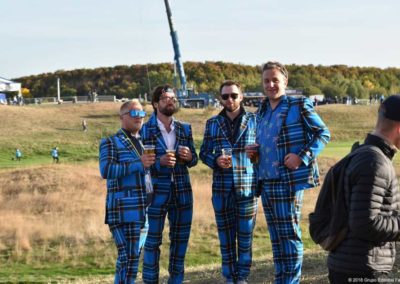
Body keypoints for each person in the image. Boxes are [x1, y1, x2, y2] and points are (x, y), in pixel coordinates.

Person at [246, 61, 330, 283]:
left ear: (285, 81)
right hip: (265, 182)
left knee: (289, 236)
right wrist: (253, 151)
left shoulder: (298, 105)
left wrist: (301, 157)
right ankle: (281, 279)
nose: (271, 84)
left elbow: (323, 134)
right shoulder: (261, 110)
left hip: (288, 182)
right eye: (266, 80)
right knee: (276, 238)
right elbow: (265, 142)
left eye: (275, 80)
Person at [327, 95, 400, 283]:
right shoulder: (375, 163)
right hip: (361, 269)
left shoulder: (364, 154)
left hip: (351, 264)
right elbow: (365, 224)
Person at [200, 80, 258, 284]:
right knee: (225, 238)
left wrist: (256, 155)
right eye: (225, 96)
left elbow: (264, 151)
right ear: (220, 99)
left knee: (245, 238)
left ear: (241, 96)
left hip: (248, 187)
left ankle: (242, 277)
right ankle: (229, 277)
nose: (230, 99)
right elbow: (204, 153)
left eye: (234, 95)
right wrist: (215, 160)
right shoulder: (212, 123)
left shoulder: (255, 120)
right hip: (221, 189)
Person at [140, 84, 198, 284]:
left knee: (180, 243)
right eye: (165, 98)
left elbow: (194, 160)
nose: (170, 101)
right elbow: (140, 164)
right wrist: (159, 162)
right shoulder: (144, 130)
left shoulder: (185, 128)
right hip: (155, 194)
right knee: (152, 243)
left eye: (173, 98)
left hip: (182, 194)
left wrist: (190, 156)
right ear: (155, 103)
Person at [99, 99, 156, 283]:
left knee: (132, 262)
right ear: (122, 117)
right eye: (134, 113)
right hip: (124, 210)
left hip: (142, 210)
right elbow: (106, 171)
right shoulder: (110, 142)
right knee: (126, 259)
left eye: (141, 114)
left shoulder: (143, 142)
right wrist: (138, 163)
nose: (139, 117)